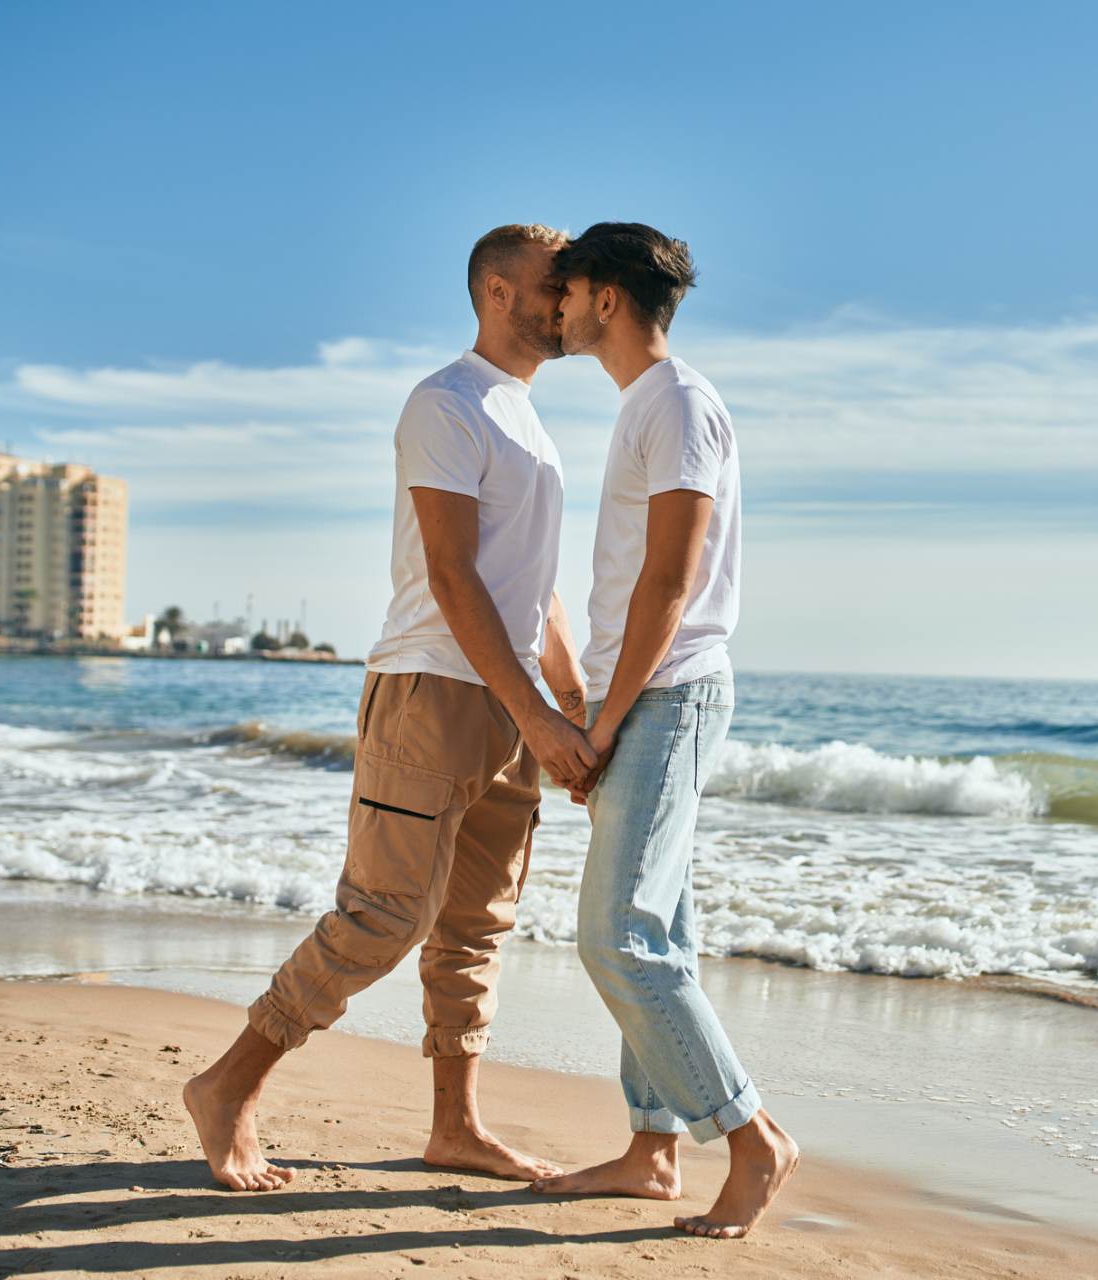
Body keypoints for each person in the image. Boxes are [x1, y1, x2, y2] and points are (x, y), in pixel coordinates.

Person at [181, 223, 596, 1191]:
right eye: (553, 282)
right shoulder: (444, 402)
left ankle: (455, 1124)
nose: (569, 299)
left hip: (511, 704)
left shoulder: (532, 422)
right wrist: (535, 714)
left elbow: (538, 589)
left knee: (474, 924)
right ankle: (229, 1084)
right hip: (433, 690)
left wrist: (570, 704)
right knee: (382, 914)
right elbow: (452, 577)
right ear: (497, 290)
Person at [532, 223, 799, 1239]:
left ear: (606, 298)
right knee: (662, 933)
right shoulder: (649, 403)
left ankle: (752, 1134)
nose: (552, 307)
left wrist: (603, 716)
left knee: (618, 938)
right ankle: (652, 1150)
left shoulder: (679, 403)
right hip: (652, 691)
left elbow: (671, 579)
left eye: (565, 290)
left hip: (668, 692)